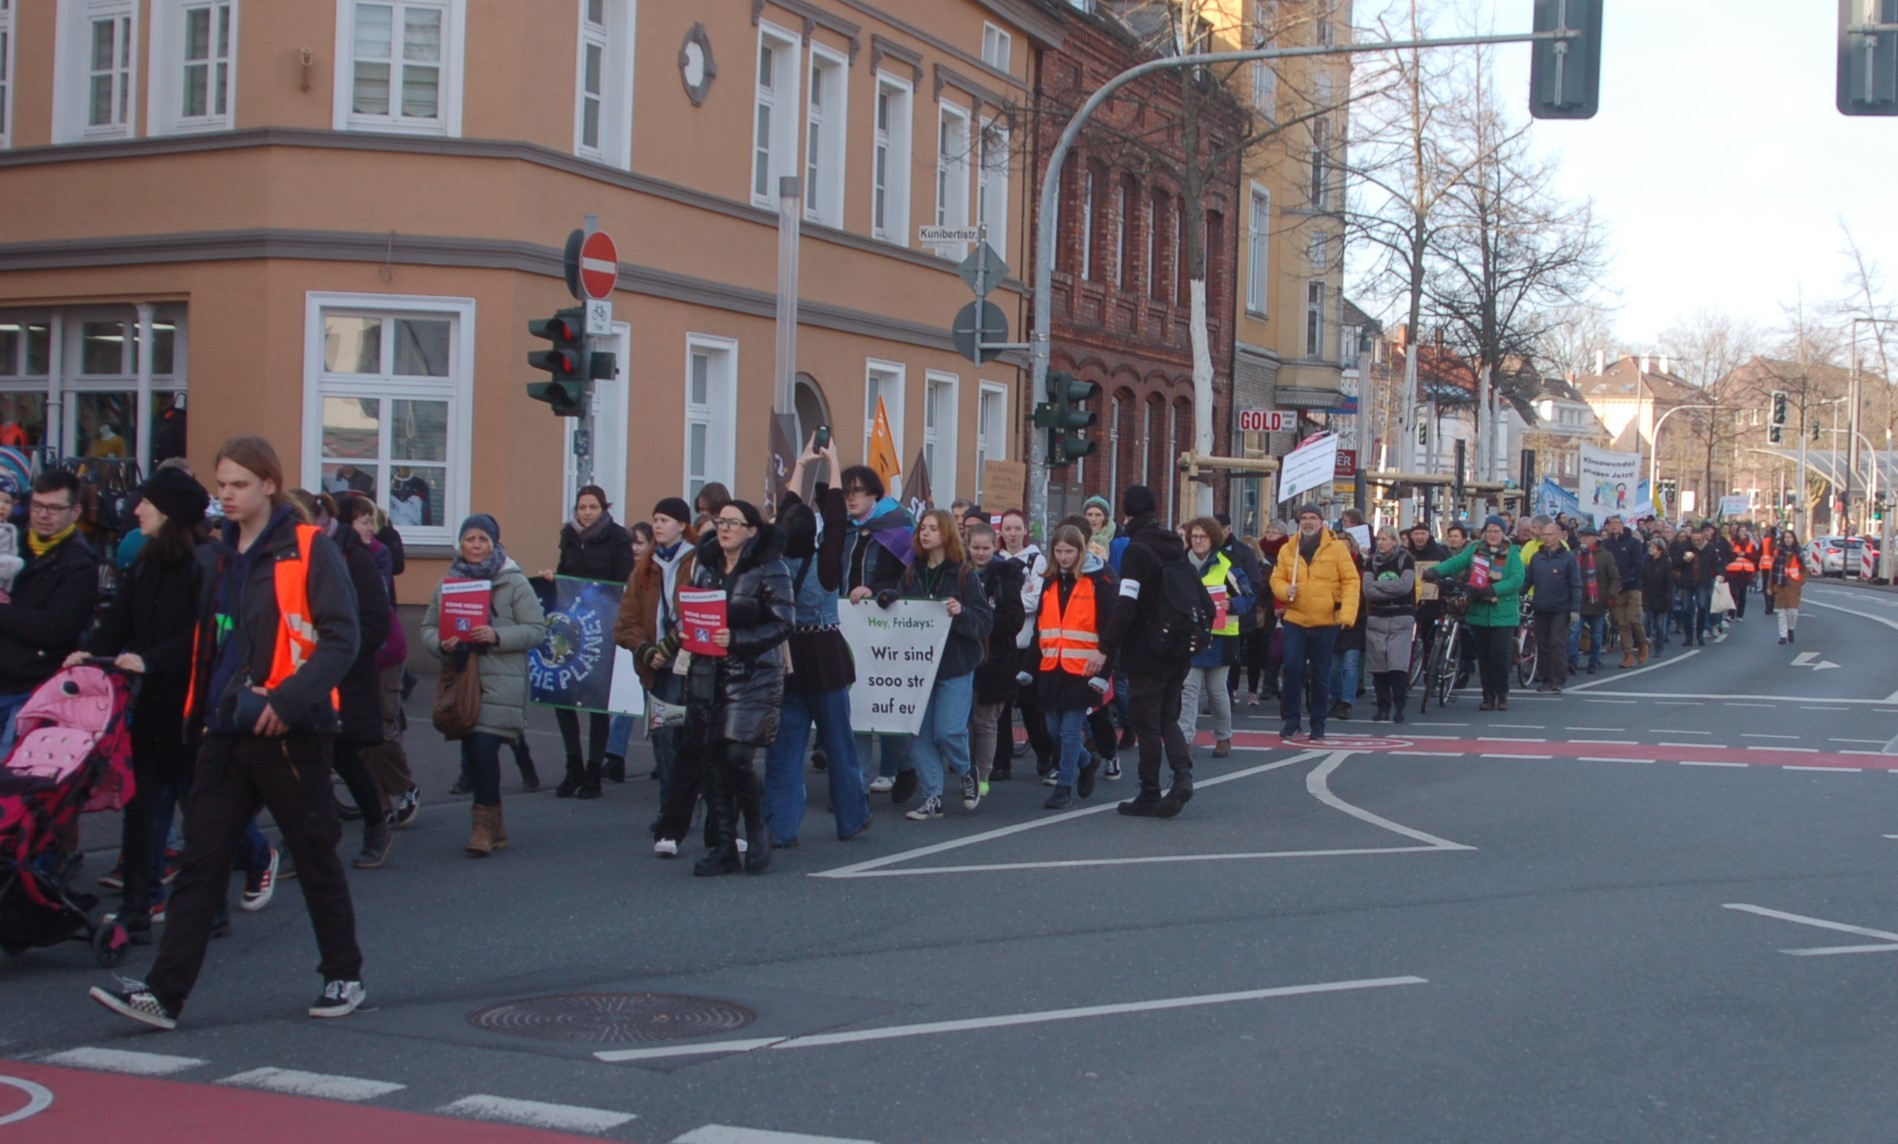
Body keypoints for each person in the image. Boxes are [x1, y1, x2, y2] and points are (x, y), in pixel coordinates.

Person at [89, 436, 365, 1030]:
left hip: (292, 731)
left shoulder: (309, 548)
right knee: (200, 862)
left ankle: (343, 973)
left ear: (269, 484)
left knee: (315, 856)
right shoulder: (215, 556)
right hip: (224, 728)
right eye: (221, 485)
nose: (226, 496)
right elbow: (203, 641)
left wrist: (289, 700)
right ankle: (165, 995)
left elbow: (343, 639)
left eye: (238, 484)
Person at [69, 468, 211, 941]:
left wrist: (149, 660)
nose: (135, 510)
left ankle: (209, 906)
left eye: (145, 503)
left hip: (192, 710)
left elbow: (201, 637)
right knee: (141, 806)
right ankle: (138, 905)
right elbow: (119, 621)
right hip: (149, 709)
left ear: (168, 511)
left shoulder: (202, 567)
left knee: (202, 812)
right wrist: (90, 654)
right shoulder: (146, 564)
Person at [762, 438, 873, 846]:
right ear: (815, 533)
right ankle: (851, 817)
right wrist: (833, 463)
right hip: (825, 657)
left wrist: (801, 465)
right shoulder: (825, 562)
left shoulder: (772, 561)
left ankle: (779, 825)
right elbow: (839, 520)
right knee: (840, 744)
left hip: (788, 658)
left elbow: (786, 513)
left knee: (784, 748)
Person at [422, 513, 546, 857]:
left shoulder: (513, 582)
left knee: (483, 749)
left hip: (502, 679)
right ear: (460, 544)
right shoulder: (449, 582)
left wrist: (496, 635)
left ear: (494, 544)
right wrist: (441, 643)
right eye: (469, 539)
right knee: (474, 754)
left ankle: (482, 825)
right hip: (464, 678)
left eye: (482, 540)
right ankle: (494, 824)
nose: (475, 546)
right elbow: (428, 628)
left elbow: (536, 629)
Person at [684, 500, 793, 876]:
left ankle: (757, 826)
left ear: (751, 530)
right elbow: (694, 608)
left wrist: (738, 638)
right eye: (720, 521)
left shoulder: (770, 568)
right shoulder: (707, 567)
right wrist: (686, 631)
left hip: (754, 675)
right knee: (712, 759)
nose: (724, 528)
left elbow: (783, 624)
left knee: (737, 757)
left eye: (733, 522)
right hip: (709, 673)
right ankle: (725, 845)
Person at [289, 490, 395, 870]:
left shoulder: (353, 557)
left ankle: (375, 825)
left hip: (345, 677)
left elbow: (376, 620)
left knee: (343, 755)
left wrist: (338, 654)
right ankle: (302, 839)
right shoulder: (289, 556)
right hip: (300, 676)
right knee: (298, 759)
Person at [887, 509, 992, 820]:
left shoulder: (962, 574)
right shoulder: (911, 573)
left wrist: (961, 613)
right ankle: (932, 795)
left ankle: (965, 769)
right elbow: (899, 604)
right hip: (919, 668)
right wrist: (883, 598)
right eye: (923, 527)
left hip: (954, 665)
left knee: (947, 730)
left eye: (933, 528)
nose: (925, 533)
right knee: (919, 732)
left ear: (946, 534)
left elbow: (984, 622)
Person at [1105, 484, 1197, 817]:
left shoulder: (1136, 550)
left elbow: (1127, 604)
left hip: (1147, 647)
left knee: (1147, 724)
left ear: (1126, 513)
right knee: (1167, 717)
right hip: (1178, 645)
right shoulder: (1174, 545)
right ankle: (1183, 774)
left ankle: (1148, 790)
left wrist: (1107, 645)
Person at [538, 486, 635, 798]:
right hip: (572, 622)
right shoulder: (569, 536)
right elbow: (566, 573)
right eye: (582, 507)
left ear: (603, 508)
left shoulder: (618, 537)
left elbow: (624, 581)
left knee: (597, 700)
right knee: (562, 696)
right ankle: (573, 766)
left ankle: (594, 769)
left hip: (602, 625)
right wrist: (555, 579)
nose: (586, 512)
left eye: (592, 507)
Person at [615, 498, 698, 854]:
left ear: (682, 524)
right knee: (664, 739)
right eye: (655, 520)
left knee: (692, 739)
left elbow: (700, 610)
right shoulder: (644, 568)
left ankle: (696, 806)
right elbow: (625, 623)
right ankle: (669, 809)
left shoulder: (697, 561)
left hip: (691, 664)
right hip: (658, 669)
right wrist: (646, 650)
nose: (658, 526)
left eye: (664, 520)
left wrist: (672, 643)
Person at [0, 470, 98, 755]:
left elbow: (57, 627)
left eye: (54, 508)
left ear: (75, 511)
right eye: (37, 506)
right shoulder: (12, 542)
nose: (43, 515)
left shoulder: (79, 563)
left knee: (13, 778)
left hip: (34, 685)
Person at [838, 465, 918, 803]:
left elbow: (908, 581)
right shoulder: (844, 531)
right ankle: (855, 789)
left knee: (885, 709)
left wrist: (875, 590)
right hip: (844, 628)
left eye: (858, 490)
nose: (852, 497)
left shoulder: (896, 530)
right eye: (847, 492)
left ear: (874, 494)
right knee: (852, 707)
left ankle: (906, 766)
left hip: (884, 629)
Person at [1037, 524, 1117, 810]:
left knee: (1070, 731)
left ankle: (1063, 787)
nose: (1063, 557)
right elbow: (1042, 628)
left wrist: (1104, 672)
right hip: (1052, 667)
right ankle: (1087, 761)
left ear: (1081, 551)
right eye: (1058, 551)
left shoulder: (1099, 581)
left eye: (1069, 551)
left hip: (1084, 669)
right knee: (1054, 729)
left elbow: (1111, 629)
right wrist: (1029, 666)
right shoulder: (1049, 581)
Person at [1269, 504, 1360, 743]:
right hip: (1295, 619)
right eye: (1304, 518)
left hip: (1325, 620)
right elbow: (1276, 577)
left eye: (1313, 518)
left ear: (1322, 521)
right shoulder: (1289, 549)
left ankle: (1318, 723)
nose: (1308, 522)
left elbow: (1351, 581)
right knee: (1292, 668)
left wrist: (1347, 615)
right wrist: (1283, 589)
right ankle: (1292, 721)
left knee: (1321, 673)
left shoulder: (1337, 549)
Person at [1428, 515, 1525, 711]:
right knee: (1484, 655)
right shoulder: (1475, 550)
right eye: (1489, 531)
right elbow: (1455, 563)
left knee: (1499, 653)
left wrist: (1494, 589)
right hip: (1479, 611)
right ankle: (1488, 695)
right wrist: (1435, 571)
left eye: (1497, 531)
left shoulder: (1513, 553)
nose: (1493, 535)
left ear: (1503, 533)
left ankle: (1502, 693)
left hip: (1503, 612)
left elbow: (1517, 579)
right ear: (1484, 532)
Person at [1178, 517, 1251, 758]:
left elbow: (1248, 597)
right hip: (1190, 636)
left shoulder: (1227, 564)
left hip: (1221, 637)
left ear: (1213, 539)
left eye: (1202, 536)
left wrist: (1231, 604)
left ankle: (1223, 736)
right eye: (1194, 536)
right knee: (1188, 688)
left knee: (1217, 690)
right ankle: (1184, 738)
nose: (1197, 541)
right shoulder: (1180, 564)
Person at [966, 521, 1026, 803]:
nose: (980, 553)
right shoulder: (961, 573)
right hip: (965, 658)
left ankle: (983, 775)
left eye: (985, 548)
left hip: (996, 659)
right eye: (975, 548)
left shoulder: (1005, 576)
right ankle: (967, 772)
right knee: (962, 723)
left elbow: (1014, 619)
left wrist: (982, 623)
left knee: (986, 722)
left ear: (995, 546)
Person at [997, 508, 1054, 779]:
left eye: (1017, 528)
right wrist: (1019, 597)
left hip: (1027, 646)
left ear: (1025, 531)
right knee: (1000, 707)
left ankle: (1045, 755)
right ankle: (1001, 760)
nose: (1012, 534)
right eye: (1007, 528)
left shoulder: (1036, 560)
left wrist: (1011, 602)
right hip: (1000, 644)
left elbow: (1038, 599)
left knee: (1031, 705)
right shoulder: (996, 560)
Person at [1363, 526, 1417, 723]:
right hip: (1377, 618)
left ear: (1394, 541)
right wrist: (1389, 589)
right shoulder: (1371, 562)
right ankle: (1382, 707)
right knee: (1379, 668)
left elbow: (1405, 586)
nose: (1381, 543)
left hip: (1401, 618)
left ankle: (1399, 707)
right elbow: (1368, 590)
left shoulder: (1406, 559)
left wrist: (1380, 586)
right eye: (1379, 539)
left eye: (1385, 539)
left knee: (1397, 666)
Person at [1525, 519, 1581, 693]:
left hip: (1561, 608)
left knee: (1557, 643)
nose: (1546, 538)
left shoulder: (1568, 558)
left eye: (1550, 535)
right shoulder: (1537, 557)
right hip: (1541, 606)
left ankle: (1558, 679)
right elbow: (1528, 580)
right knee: (1542, 645)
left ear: (1558, 536)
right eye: (1545, 535)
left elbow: (1576, 584)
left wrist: (1575, 609)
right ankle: (1546, 678)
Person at [1568, 526, 1620, 677]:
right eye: (1581, 536)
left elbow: (1614, 578)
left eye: (1587, 536)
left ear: (1595, 538)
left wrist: (1611, 596)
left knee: (1596, 635)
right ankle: (1572, 661)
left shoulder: (1605, 556)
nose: (1583, 539)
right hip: (1578, 602)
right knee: (1574, 633)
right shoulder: (1574, 554)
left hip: (1597, 601)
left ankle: (1593, 661)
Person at [1329, 531, 1368, 721]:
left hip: (1355, 621)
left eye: (1346, 547)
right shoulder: (1329, 567)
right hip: (1331, 619)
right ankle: (1335, 698)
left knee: (1350, 663)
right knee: (1334, 665)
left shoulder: (1361, 568)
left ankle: (1347, 701)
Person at [1600, 515, 1647, 668]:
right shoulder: (1606, 544)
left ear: (1622, 525)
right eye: (1611, 523)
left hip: (1632, 586)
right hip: (1615, 589)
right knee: (1622, 622)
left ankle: (1641, 643)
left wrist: (1624, 581)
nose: (1614, 526)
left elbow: (1638, 565)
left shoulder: (1633, 542)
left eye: (1616, 523)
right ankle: (1628, 654)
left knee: (1634, 619)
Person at [1640, 537, 1677, 654]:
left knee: (1659, 624)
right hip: (1647, 596)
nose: (1650, 549)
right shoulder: (1646, 561)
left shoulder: (1666, 563)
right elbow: (1642, 576)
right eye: (1650, 547)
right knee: (1645, 622)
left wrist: (1668, 597)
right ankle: (1646, 645)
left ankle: (1659, 647)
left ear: (1660, 549)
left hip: (1661, 597)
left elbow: (1669, 581)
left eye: (1653, 547)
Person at [1770, 529, 1804, 643]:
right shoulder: (1778, 553)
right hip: (1781, 585)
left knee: (1793, 612)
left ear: (1793, 539)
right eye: (1786, 538)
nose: (1788, 540)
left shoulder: (1799, 552)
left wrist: (1801, 580)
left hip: (1794, 586)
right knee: (1782, 612)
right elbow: (1773, 570)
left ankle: (1791, 629)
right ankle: (1783, 636)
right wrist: (1770, 586)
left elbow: (1804, 569)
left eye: (1790, 537)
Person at [1725, 526, 1759, 622]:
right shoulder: (1732, 543)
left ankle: (1740, 615)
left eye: (1745, 530)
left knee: (1742, 594)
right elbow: (1728, 555)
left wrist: (1746, 555)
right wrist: (1736, 555)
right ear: (1738, 532)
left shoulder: (1751, 544)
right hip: (1733, 571)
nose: (1744, 532)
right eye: (1741, 531)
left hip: (1745, 573)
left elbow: (1755, 557)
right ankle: (1731, 614)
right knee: (1733, 593)